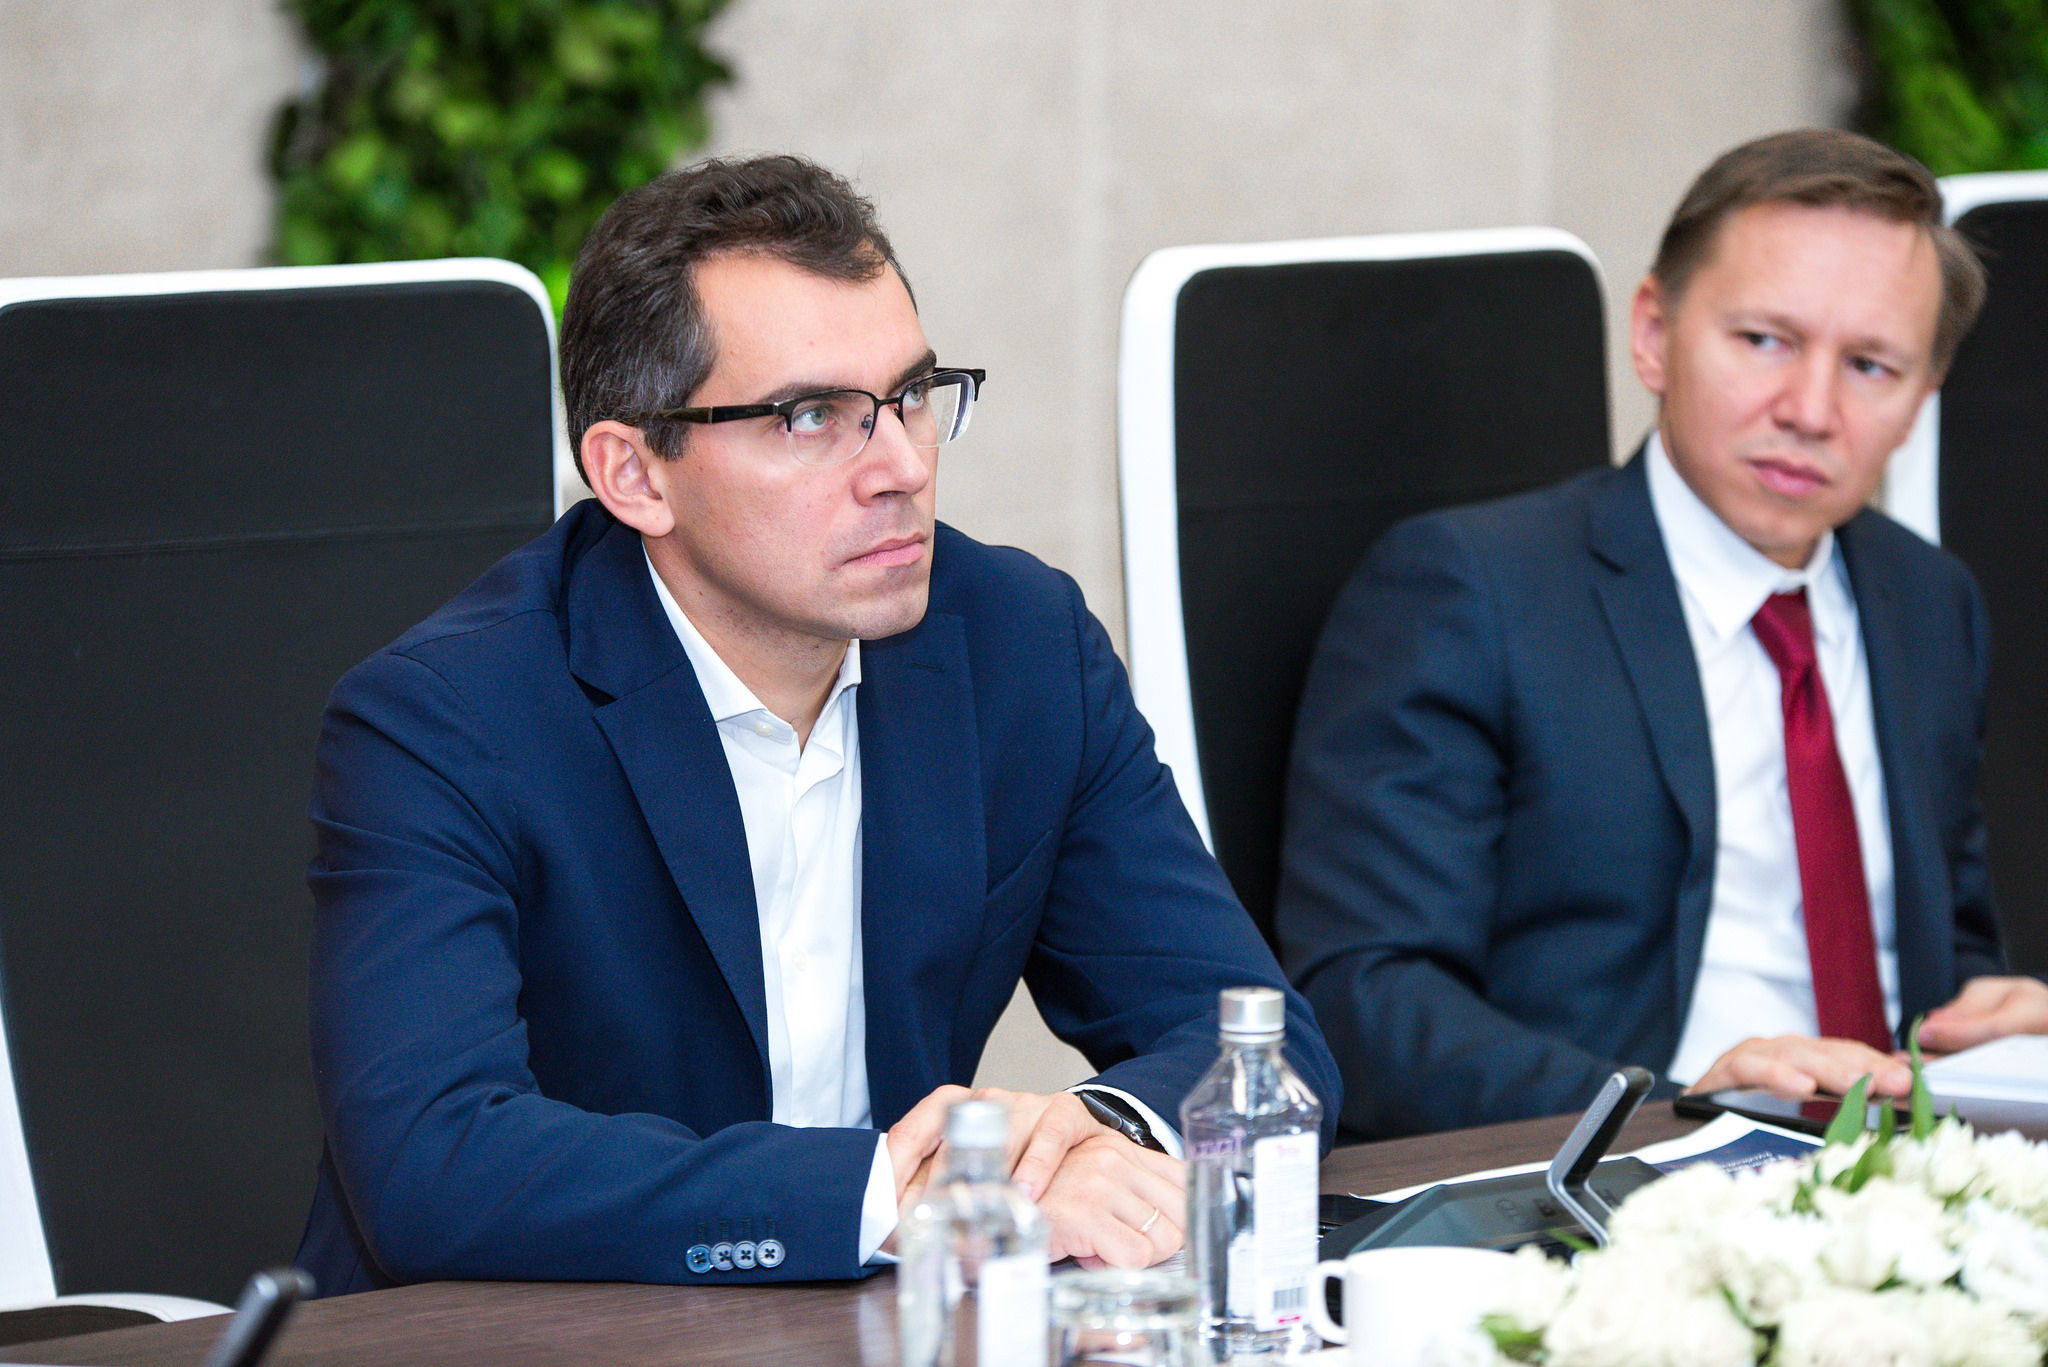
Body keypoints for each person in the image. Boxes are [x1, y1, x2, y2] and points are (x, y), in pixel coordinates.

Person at [295, 154, 1339, 1293]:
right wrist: (889, 1197)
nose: (899, 467)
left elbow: (1265, 1047)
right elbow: (433, 1161)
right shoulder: (445, 718)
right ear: (634, 473)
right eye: (809, 417)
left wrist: (1091, 1138)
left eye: (912, 396)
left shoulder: (1019, 645)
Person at [1275, 129, 2048, 1141]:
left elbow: (1945, 948)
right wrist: (1669, 1109)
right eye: (1763, 340)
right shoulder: (1470, 589)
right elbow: (1361, 998)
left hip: (1903, 1178)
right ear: (1653, 333)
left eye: (1869, 364)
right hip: (1615, 1180)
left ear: (1920, 399)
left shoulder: (1928, 600)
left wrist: (1991, 1027)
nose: (1810, 410)